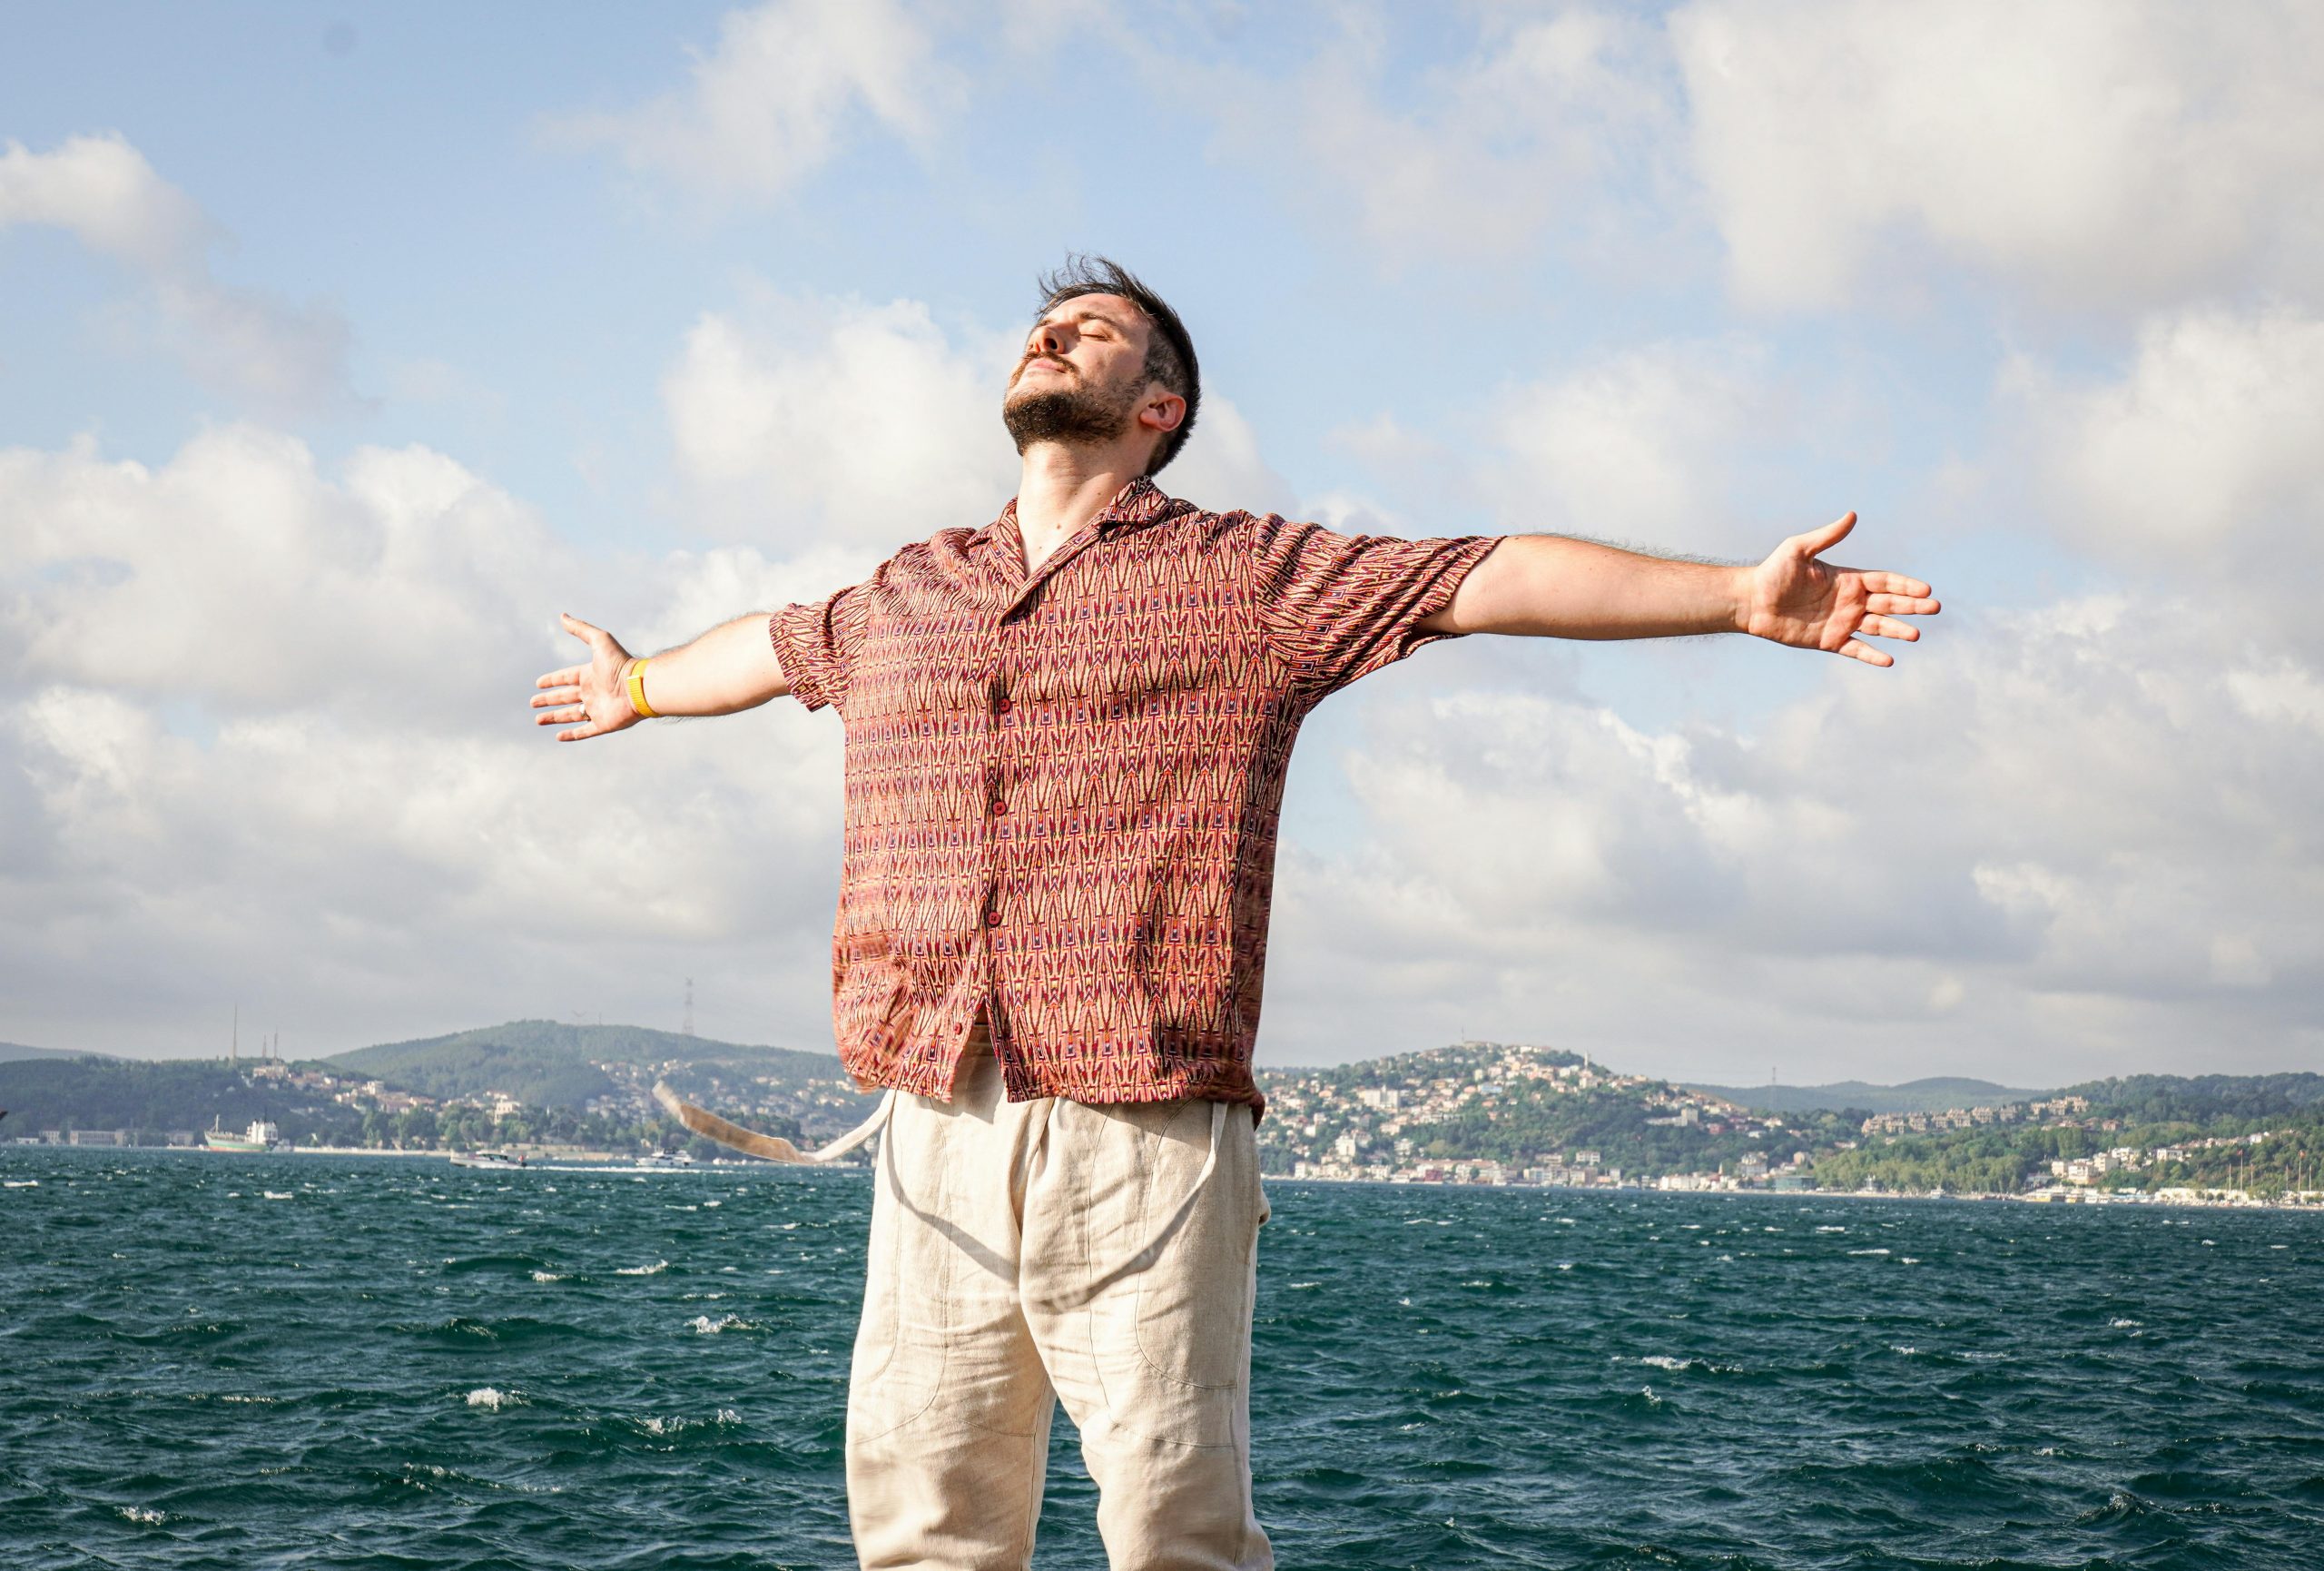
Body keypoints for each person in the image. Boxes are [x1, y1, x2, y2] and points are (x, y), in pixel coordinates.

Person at [528, 256, 1940, 1570]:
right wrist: (636, 684)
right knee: (923, 1517)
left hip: (1144, 1120)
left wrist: (1733, 601)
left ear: (1160, 407)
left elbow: (1483, 576)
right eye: (1042, 321)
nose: (1047, 332)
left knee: (1172, 1525)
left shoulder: (1249, 578)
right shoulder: (905, 590)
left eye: (1089, 326)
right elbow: (769, 652)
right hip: (932, 1110)